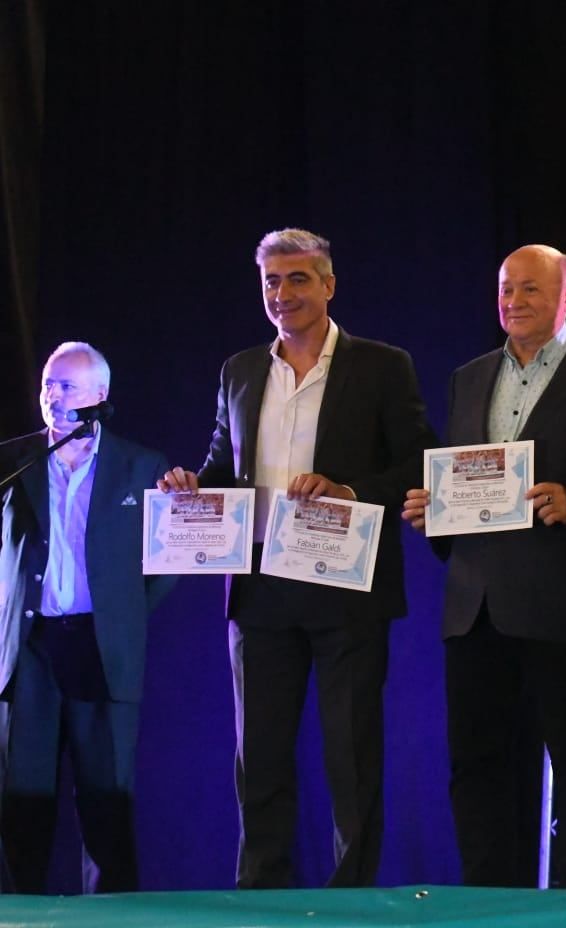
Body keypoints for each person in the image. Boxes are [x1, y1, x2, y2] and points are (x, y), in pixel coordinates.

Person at [159, 228, 435, 888]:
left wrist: (349, 491)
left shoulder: (381, 365)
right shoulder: (240, 370)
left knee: (350, 755)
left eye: (298, 279)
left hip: (344, 584)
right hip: (258, 590)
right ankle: (261, 895)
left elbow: (420, 461)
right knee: (259, 758)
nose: (283, 295)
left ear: (329, 285)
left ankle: (352, 900)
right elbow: (224, 465)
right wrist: (192, 486)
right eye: (271, 283)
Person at [401, 244, 566, 887]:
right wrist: (434, 510)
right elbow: (463, 478)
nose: (513, 301)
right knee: (476, 767)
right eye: (505, 289)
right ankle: (486, 902)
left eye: (530, 289)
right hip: (475, 605)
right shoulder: (469, 376)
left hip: (563, 602)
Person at [0, 342, 174, 893]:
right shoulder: (13, 460)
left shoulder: (140, 465)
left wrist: (121, 616)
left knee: (107, 800)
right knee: (22, 800)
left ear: (100, 395)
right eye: (48, 385)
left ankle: (112, 916)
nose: (52, 396)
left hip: (99, 647)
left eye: (66, 386)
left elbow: (164, 560)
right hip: (31, 648)